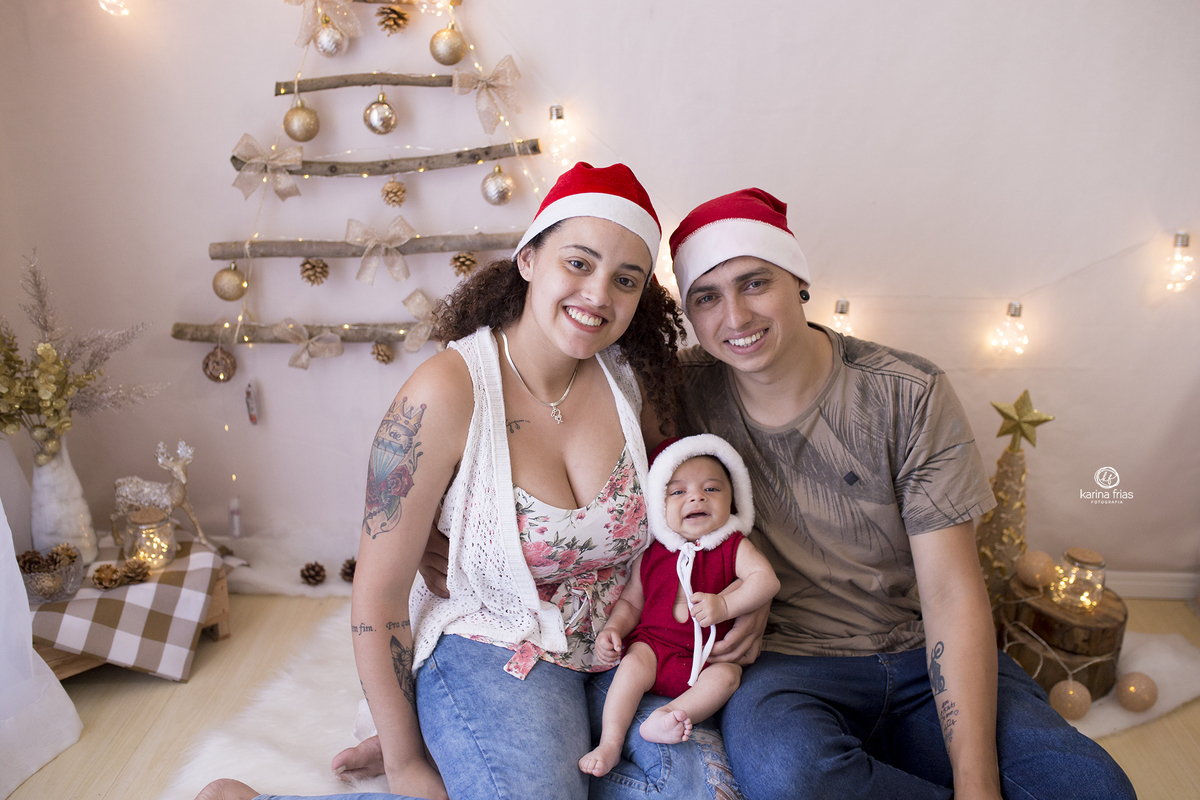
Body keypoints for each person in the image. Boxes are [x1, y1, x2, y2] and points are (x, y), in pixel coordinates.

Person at [193, 161, 693, 800]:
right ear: (529, 259)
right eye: (578, 262)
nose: (598, 295)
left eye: (625, 279)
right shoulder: (444, 394)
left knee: (698, 785)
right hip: (493, 647)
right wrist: (405, 763)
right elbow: (378, 597)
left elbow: (684, 511)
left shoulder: (633, 383)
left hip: (614, 652)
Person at [666, 188, 1136, 799]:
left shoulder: (906, 394)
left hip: (922, 652)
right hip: (787, 666)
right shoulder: (680, 394)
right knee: (790, 777)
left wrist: (977, 785)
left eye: (755, 283)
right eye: (706, 297)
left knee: (1093, 788)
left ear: (798, 283)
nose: (735, 317)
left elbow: (950, 590)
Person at [579, 434, 779, 777]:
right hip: (654, 648)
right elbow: (631, 601)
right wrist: (613, 629)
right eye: (678, 491)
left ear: (734, 500)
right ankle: (610, 743)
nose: (697, 496)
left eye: (712, 489)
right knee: (629, 667)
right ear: (660, 505)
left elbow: (766, 580)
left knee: (728, 677)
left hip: (708, 658)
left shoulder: (733, 546)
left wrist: (724, 606)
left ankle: (669, 715)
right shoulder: (655, 552)